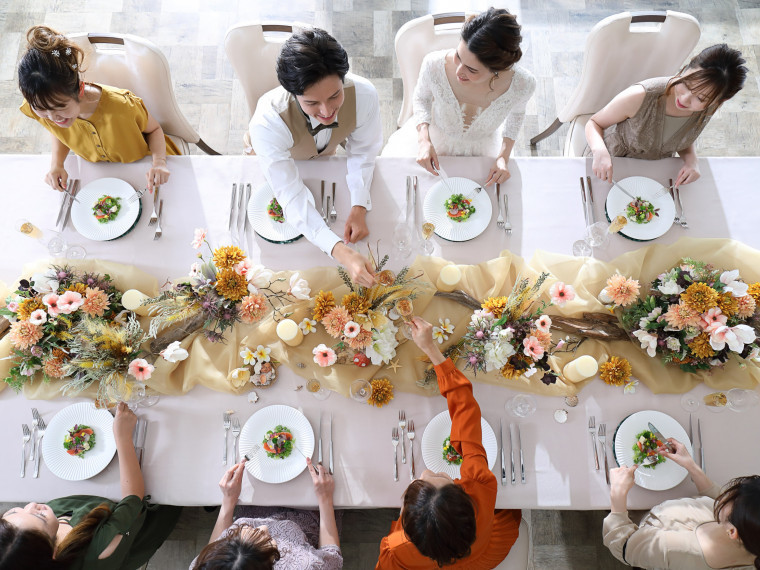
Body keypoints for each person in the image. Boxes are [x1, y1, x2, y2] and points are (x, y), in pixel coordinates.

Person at [376, 317, 521, 569]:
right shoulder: (480, 484)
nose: (434, 470)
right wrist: (431, 349)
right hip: (484, 551)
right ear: (466, 499)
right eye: (445, 477)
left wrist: (405, 511)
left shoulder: (398, 550)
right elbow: (466, 411)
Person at [249, 28, 383, 288]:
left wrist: (358, 205)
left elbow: (363, 152)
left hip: (326, 157)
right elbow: (290, 196)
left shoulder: (364, 95)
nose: (327, 111)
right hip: (282, 159)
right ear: (292, 92)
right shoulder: (268, 122)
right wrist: (340, 251)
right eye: (312, 103)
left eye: (335, 96)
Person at [0, 403, 182, 570]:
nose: (32, 505)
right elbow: (134, 497)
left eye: (13, 512)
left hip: (98, 495)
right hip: (142, 508)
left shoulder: (21, 548)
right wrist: (122, 436)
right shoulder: (102, 547)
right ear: (53, 554)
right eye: (40, 516)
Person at [382, 8, 536, 187]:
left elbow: (516, 116)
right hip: (435, 141)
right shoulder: (434, 64)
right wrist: (424, 140)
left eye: (472, 70)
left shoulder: (523, 84)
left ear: (497, 70)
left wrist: (503, 156)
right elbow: (421, 99)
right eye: (458, 56)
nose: (459, 71)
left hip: (485, 151)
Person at [18, 25, 179, 193]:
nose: (53, 118)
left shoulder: (123, 106)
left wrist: (159, 163)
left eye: (60, 107)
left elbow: (154, 130)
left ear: (80, 90)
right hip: (104, 177)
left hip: (149, 167)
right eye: (42, 110)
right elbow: (58, 130)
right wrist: (57, 164)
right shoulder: (41, 105)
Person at [585, 43, 747, 188]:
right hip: (610, 164)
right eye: (686, 83)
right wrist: (600, 152)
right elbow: (594, 123)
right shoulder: (641, 95)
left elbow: (681, 136)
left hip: (653, 173)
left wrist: (691, 160)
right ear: (685, 69)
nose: (684, 99)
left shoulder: (708, 108)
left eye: (700, 98)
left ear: (721, 100)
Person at [604, 438, 759, 569]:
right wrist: (691, 466)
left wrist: (617, 493)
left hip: (640, 537)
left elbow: (623, 546)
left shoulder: (677, 549)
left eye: (731, 497)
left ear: (732, 531)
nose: (726, 493)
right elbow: (718, 497)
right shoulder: (750, 529)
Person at [191, 457, 342, 569]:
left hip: (254, 504)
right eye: (266, 542)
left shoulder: (204, 566)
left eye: (234, 536)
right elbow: (331, 554)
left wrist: (228, 502)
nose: (264, 527)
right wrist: (325, 498)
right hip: (314, 515)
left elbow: (215, 545)